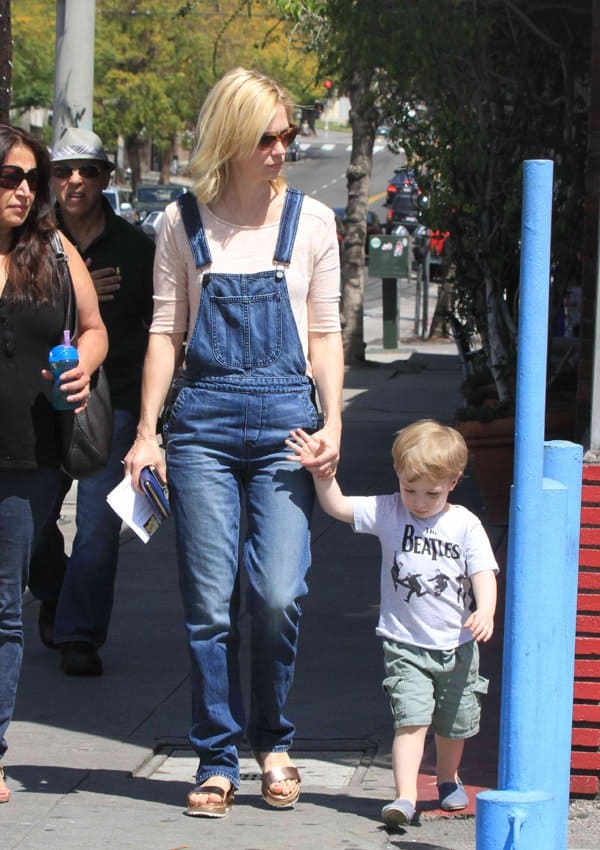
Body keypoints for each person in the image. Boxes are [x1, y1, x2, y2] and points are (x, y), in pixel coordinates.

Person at [124, 67, 343, 817]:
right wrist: (148, 433)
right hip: (202, 431)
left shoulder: (312, 222)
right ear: (231, 138)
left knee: (277, 594)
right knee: (210, 604)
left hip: (288, 423)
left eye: (289, 134)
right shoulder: (179, 224)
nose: (283, 148)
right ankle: (217, 755)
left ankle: (272, 738)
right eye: (268, 137)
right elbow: (164, 332)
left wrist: (334, 424)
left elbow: (324, 330)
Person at [286, 419, 498, 827]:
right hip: (404, 644)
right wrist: (322, 474)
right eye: (409, 488)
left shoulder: (464, 524)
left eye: (431, 493)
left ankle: (448, 778)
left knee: (453, 724)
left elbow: (483, 572)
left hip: (457, 645)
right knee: (411, 720)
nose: (418, 501)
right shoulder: (388, 510)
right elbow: (338, 506)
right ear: (398, 477)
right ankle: (404, 796)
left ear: (453, 482)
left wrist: (485, 609)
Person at [0, 124, 107, 803]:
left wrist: (84, 370)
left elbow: (93, 328)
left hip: (27, 458)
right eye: (9, 177)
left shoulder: (56, 251)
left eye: (28, 178)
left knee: (4, 610)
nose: (23, 189)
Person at [27, 128, 155, 677]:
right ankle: (56, 591)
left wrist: (156, 421)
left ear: (105, 178)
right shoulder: (30, 241)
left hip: (114, 402)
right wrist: (77, 293)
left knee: (100, 526)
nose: (74, 180)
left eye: (86, 170)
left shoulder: (136, 249)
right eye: (62, 171)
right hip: (38, 401)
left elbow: (166, 330)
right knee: (29, 521)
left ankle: (80, 635)